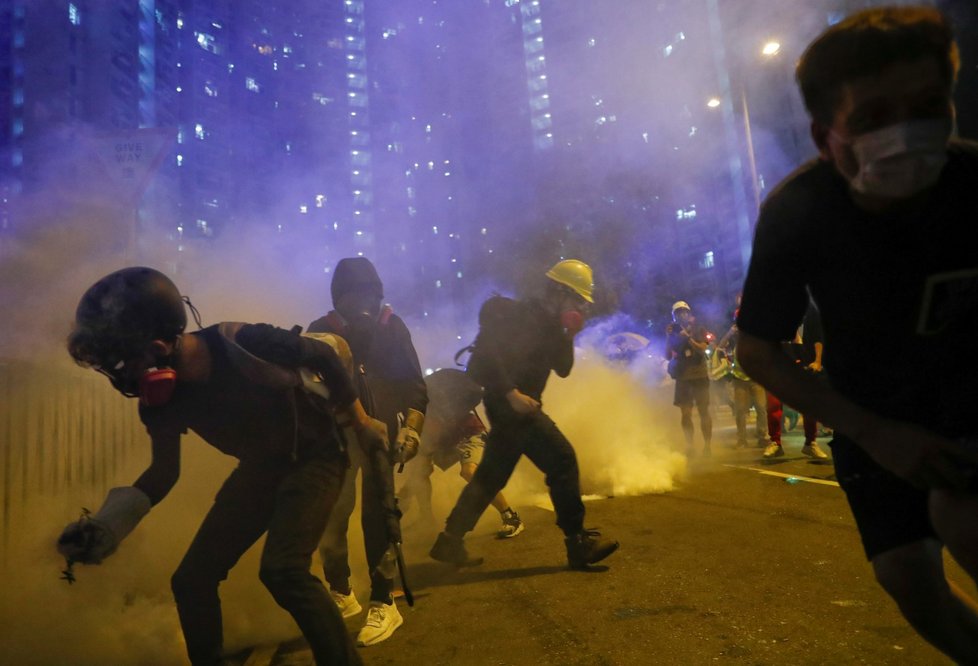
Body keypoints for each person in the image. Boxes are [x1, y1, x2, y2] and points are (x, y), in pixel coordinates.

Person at [735, 7, 978, 661]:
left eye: (928, 106)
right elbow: (757, 349)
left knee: (966, 519)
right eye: (873, 118)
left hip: (968, 399)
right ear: (824, 136)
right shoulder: (798, 214)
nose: (907, 135)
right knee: (907, 580)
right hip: (869, 412)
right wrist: (875, 433)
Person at [57, 267, 383, 666]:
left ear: (160, 346)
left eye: (124, 361)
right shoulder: (162, 399)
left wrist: (361, 423)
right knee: (192, 580)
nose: (121, 376)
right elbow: (163, 474)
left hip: (316, 457)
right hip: (262, 469)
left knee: (283, 571)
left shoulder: (242, 341)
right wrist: (106, 527)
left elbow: (325, 355)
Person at [429, 259, 618, 569]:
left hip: (522, 408)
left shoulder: (553, 328)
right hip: (510, 407)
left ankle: (450, 541)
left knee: (490, 477)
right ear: (558, 292)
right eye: (577, 300)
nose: (581, 308)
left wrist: (569, 334)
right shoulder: (518, 316)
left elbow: (564, 369)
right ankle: (577, 543)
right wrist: (511, 394)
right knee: (562, 460)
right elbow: (485, 360)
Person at [308, 256, 428, 647]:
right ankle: (341, 591)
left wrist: (411, 429)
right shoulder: (320, 333)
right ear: (337, 300)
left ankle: (383, 599)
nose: (362, 303)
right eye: (353, 295)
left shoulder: (391, 327)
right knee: (333, 513)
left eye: (368, 294)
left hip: (381, 435)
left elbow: (414, 385)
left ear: (378, 296)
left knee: (380, 515)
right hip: (337, 438)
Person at [398, 368, 525, 538]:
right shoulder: (414, 399)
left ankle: (510, 516)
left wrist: (397, 505)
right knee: (418, 473)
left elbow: (432, 431)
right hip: (443, 439)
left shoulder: (425, 395)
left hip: (468, 434)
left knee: (470, 472)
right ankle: (426, 519)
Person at [762, 304, 829, 460]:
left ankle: (810, 443)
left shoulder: (811, 310)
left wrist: (818, 361)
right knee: (773, 404)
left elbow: (818, 338)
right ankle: (775, 443)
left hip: (804, 361)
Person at [665, 301, 713, 457]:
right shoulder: (673, 332)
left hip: (699, 375)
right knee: (685, 414)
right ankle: (690, 445)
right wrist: (668, 336)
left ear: (689, 313)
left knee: (703, 411)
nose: (681, 315)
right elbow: (666, 355)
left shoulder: (699, 329)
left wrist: (688, 338)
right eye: (678, 313)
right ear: (674, 316)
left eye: (684, 312)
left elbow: (704, 349)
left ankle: (707, 446)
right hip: (683, 377)